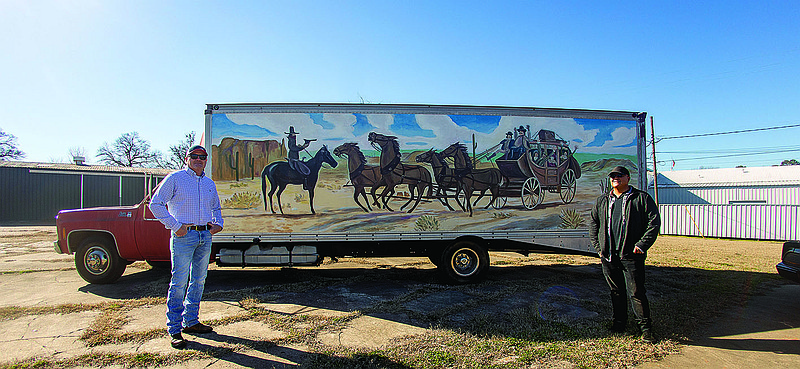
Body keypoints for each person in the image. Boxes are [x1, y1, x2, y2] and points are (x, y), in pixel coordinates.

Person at [149, 145, 224, 349]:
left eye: (202, 157)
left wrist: (217, 225)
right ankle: (174, 329)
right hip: (184, 236)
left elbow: (216, 207)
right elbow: (155, 204)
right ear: (187, 158)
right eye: (194, 156)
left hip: (204, 236)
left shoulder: (208, 183)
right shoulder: (175, 178)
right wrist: (176, 226)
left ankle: (191, 321)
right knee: (179, 281)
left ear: (206, 160)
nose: (199, 159)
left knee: (199, 280)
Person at [589, 166, 660, 343]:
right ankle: (619, 323)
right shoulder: (603, 200)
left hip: (631, 255)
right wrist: (599, 247)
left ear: (628, 178)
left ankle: (645, 329)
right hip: (609, 256)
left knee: (636, 292)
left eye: (619, 175)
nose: (615, 178)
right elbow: (593, 223)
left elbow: (654, 222)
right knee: (616, 291)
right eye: (613, 176)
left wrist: (642, 245)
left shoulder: (641, 198)